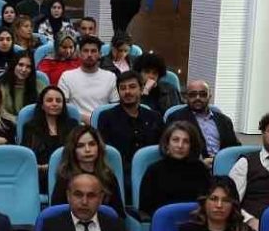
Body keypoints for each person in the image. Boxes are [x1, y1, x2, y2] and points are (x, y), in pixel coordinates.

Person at [96, 71, 164, 201]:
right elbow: (105, 150)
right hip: (119, 173)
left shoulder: (154, 117)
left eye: (132, 87)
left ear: (141, 89)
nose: (127, 92)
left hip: (152, 171)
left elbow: (163, 146)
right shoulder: (106, 117)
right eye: (123, 88)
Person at [138, 121, 211, 217]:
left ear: (192, 146)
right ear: (167, 143)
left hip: (196, 222)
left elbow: (208, 203)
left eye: (186, 141)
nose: (180, 145)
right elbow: (145, 209)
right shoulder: (153, 171)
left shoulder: (201, 169)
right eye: (175, 140)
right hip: (164, 222)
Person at [24, 86, 78, 192]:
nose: (54, 103)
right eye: (49, 100)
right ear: (42, 105)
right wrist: (41, 168)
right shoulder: (30, 127)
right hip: (40, 175)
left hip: (68, 174)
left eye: (58, 101)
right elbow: (27, 157)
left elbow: (76, 152)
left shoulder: (72, 125)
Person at [52, 125, 121, 208]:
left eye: (92, 144)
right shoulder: (65, 178)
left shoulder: (108, 176)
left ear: (98, 147)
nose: (87, 150)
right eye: (80, 146)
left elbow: (117, 212)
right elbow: (57, 212)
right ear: (73, 150)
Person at [58, 37, 118, 123]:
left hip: (102, 124)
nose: (89, 55)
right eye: (85, 51)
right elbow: (62, 107)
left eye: (93, 51)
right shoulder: (67, 76)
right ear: (79, 54)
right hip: (76, 124)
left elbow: (115, 106)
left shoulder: (110, 77)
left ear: (100, 54)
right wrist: (87, 119)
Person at [182, 80, 238, 161]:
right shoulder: (177, 118)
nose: (198, 98)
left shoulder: (224, 120)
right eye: (192, 94)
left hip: (223, 163)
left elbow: (234, 147)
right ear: (186, 97)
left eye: (203, 94)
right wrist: (199, 163)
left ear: (209, 96)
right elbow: (172, 150)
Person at [0, 51, 39, 118]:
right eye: (20, 65)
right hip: (6, 121)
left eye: (28, 66)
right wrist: (17, 121)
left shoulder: (39, 86)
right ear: (13, 65)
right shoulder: (1, 85)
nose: (24, 70)